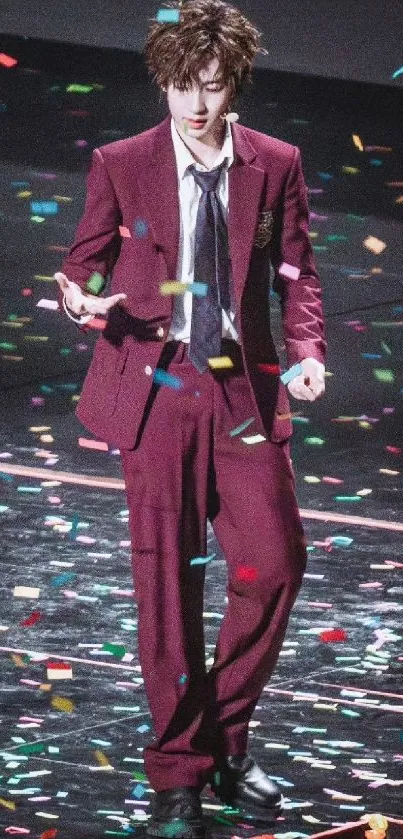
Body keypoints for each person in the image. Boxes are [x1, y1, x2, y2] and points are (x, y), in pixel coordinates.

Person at [55, 1, 326, 836]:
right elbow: (81, 262)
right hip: (158, 386)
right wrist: (80, 298)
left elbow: (296, 272)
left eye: (209, 87)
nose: (194, 105)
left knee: (274, 564)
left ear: (232, 84)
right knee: (166, 588)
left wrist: (309, 349)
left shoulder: (273, 163)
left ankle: (222, 737)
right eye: (180, 86)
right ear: (163, 81)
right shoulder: (123, 161)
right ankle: (178, 769)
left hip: (240, 385)